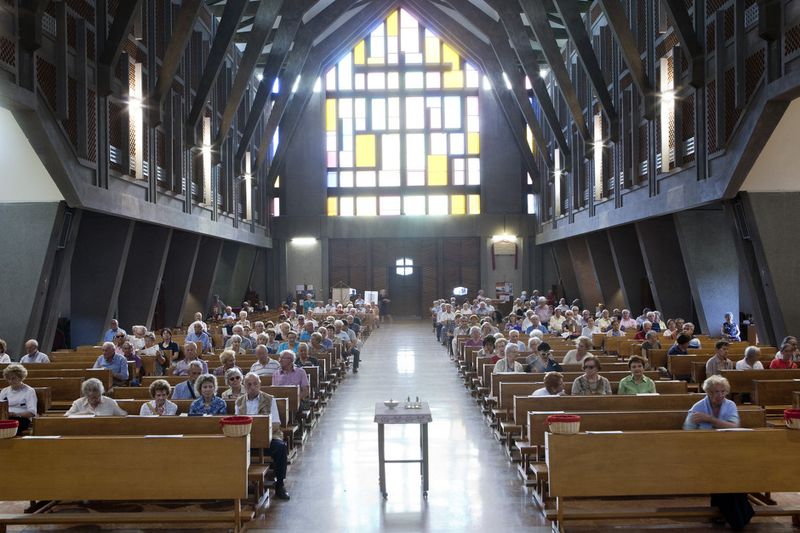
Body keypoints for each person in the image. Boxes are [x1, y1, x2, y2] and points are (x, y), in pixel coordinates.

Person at [683, 376, 751, 528]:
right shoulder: (698, 407)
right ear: (707, 392)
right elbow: (687, 432)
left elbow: (734, 427)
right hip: (704, 452)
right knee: (722, 473)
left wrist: (710, 420)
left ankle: (733, 513)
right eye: (715, 392)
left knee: (737, 472)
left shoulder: (730, 405)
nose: (719, 395)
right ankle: (736, 515)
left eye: (722, 392)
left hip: (729, 451)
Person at [235, 372, 291, 500]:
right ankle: (238, 486)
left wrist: (262, 434)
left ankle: (280, 485)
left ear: (260, 384)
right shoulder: (239, 402)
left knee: (281, 448)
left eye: (255, 384)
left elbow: (276, 423)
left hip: (268, 437)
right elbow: (237, 422)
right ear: (244, 385)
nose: (252, 387)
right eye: (249, 384)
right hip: (246, 438)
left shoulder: (269, 399)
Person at [0, 364, 37, 433]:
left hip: (21, 419)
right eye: (8, 379)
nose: (10, 381)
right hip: (5, 419)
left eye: (13, 378)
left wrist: (15, 414)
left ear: (21, 377)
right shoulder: (4, 391)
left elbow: (32, 412)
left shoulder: (29, 391)